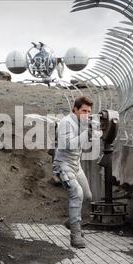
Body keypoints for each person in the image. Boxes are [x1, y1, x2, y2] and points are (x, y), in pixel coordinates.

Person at [53, 96, 94, 249]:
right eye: (84, 110)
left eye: (89, 111)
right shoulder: (66, 122)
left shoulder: (82, 122)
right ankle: (75, 235)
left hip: (76, 165)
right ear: (75, 109)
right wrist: (86, 132)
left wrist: (91, 131)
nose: (86, 114)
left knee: (88, 196)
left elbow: (85, 143)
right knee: (77, 194)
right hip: (64, 165)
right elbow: (68, 144)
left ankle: (72, 221)